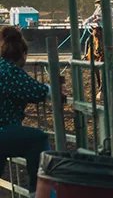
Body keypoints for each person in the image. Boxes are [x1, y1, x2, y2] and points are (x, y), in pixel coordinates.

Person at [0, 26, 66, 198]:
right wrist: (54, 89)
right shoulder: (11, 72)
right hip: (3, 129)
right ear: (22, 54)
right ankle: (39, 192)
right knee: (37, 139)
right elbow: (37, 91)